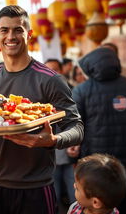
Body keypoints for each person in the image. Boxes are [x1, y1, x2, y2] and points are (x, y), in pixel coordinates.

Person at [0, 5, 84, 214]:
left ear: (29, 34)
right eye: (4, 30)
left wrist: (53, 140)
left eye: (18, 30)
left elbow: (76, 127)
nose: (11, 36)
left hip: (37, 188)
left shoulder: (50, 79)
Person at [72, 47, 126, 214]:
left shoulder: (81, 90)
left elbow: (76, 124)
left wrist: (74, 147)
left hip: (94, 166)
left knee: (97, 205)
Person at [44, 58, 77, 213]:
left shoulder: (73, 91)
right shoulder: (41, 95)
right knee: (53, 195)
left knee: (75, 196)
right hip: (51, 155)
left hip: (70, 154)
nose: (53, 74)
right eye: (49, 70)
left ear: (62, 71)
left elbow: (78, 123)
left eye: (55, 70)